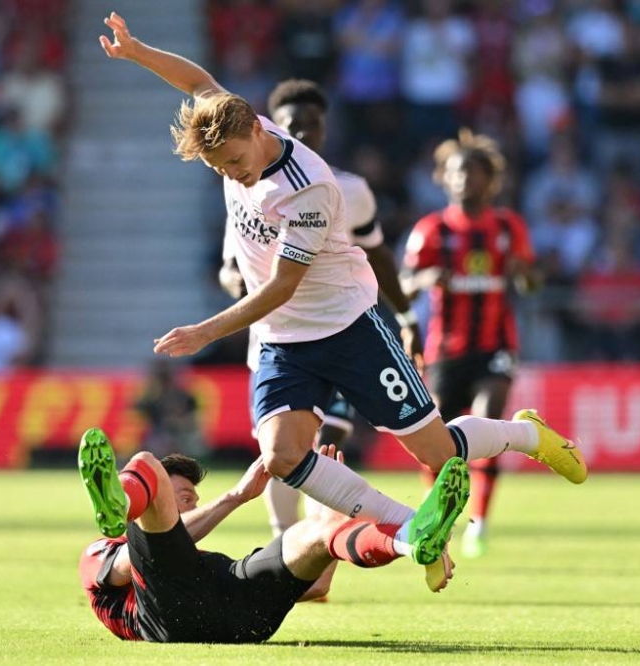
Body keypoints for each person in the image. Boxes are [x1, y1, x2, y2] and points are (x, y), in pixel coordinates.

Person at [98, 14, 586, 575]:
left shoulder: (310, 190)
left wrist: (205, 331)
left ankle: (527, 433)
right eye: (217, 166)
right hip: (285, 340)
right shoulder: (233, 124)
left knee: (437, 452)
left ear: (257, 133)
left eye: (232, 161)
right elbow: (197, 81)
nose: (230, 173)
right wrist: (138, 53)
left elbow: (283, 286)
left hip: (348, 327)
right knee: (281, 457)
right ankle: (409, 524)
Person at [219, 77, 422, 539]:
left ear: (326, 130)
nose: (306, 134)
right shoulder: (248, 185)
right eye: (295, 125)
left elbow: (378, 255)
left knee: (330, 439)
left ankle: (325, 540)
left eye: (315, 126)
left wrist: (407, 315)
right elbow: (231, 264)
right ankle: (286, 540)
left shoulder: (349, 190)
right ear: (268, 128)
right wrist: (235, 282)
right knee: (283, 452)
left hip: (339, 330)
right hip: (276, 337)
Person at [77, 428, 469, 642]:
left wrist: (325, 510)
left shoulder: (183, 557)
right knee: (145, 462)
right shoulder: (100, 552)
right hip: (168, 617)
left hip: (244, 613)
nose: (192, 507)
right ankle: (124, 503)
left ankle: (409, 540)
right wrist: (235, 497)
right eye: (183, 498)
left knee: (319, 533)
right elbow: (131, 564)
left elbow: (316, 586)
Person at [401, 130, 538, 558]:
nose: (464, 180)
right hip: (445, 349)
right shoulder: (431, 230)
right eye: (457, 173)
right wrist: (423, 280)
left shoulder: (507, 227)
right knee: (437, 440)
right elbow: (401, 287)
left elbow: (532, 282)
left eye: (473, 173)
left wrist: (525, 273)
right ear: (444, 178)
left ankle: (479, 523)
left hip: (495, 344)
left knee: (489, 425)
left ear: (488, 180)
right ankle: (437, 514)